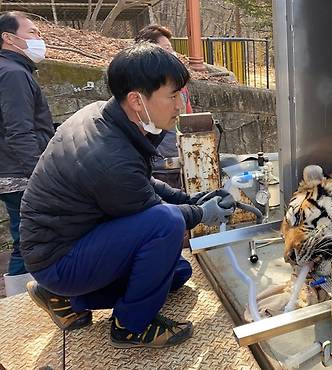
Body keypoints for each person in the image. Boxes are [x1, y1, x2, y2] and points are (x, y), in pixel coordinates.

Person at [20, 43, 235, 348]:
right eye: (172, 96)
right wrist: (201, 213)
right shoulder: (108, 157)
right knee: (168, 225)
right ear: (137, 100)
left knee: (178, 273)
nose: (179, 105)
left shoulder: (103, 116)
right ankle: (130, 326)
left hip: (70, 241)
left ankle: (65, 298)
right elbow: (156, 215)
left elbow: (141, 184)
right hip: (59, 258)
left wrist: (191, 198)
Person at [0, 11, 54, 287]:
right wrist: (38, 173)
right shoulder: (13, 74)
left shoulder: (13, 70)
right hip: (20, 174)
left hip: (12, 171)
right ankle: (22, 302)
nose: (38, 39)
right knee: (30, 239)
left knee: (24, 236)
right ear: (8, 38)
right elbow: (19, 129)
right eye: (32, 32)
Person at [135, 24, 193, 188]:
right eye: (166, 49)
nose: (172, 54)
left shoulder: (181, 85)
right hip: (156, 169)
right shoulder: (140, 92)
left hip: (183, 164)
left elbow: (189, 120)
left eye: (171, 49)